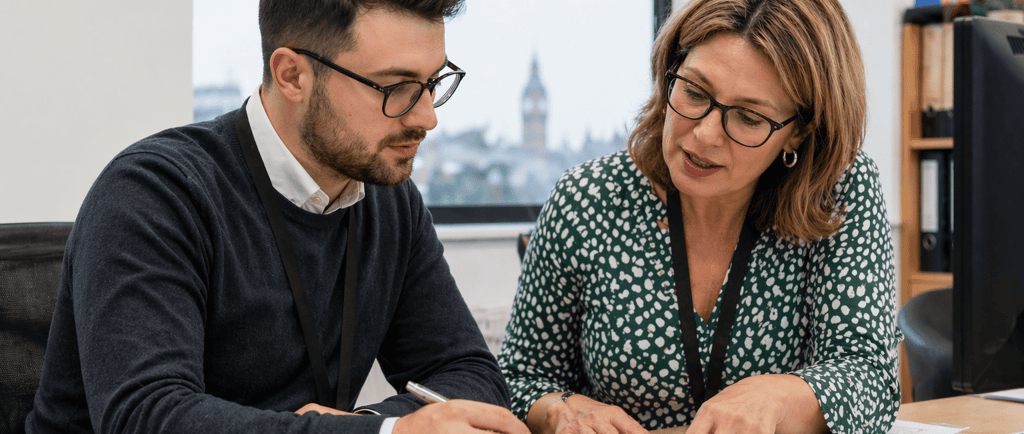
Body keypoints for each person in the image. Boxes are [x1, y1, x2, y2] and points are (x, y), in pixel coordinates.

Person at [25, 1, 530, 434]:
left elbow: (469, 374)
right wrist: (385, 429)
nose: (427, 117)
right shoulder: (156, 193)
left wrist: (370, 423)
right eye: (395, 88)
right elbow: (148, 417)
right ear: (292, 75)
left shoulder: (387, 198)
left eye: (432, 82)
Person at [497, 0, 902, 433]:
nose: (704, 135)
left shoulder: (836, 193)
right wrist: (563, 411)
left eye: (748, 118)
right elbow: (515, 379)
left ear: (798, 131)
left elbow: (871, 376)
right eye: (693, 92)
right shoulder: (588, 197)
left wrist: (781, 396)